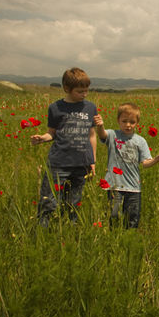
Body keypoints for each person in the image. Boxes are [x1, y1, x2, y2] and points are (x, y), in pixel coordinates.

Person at [31, 67, 98, 227]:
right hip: (59, 163)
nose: (84, 94)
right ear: (67, 88)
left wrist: (93, 161)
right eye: (80, 91)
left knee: (73, 203)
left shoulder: (90, 108)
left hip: (81, 164)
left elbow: (92, 135)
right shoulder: (55, 108)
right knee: (49, 201)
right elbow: (51, 133)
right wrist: (42, 138)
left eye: (86, 91)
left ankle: (70, 231)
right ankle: (43, 230)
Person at [94, 103, 159, 228]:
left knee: (132, 218)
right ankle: (114, 237)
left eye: (132, 122)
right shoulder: (112, 135)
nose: (128, 125)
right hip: (115, 185)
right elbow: (102, 135)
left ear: (137, 122)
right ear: (118, 120)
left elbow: (145, 163)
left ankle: (129, 237)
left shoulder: (140, 141)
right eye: (124, 121)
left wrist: (156, 159)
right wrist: (100, 126)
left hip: (133, 187)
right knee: (114, 216)